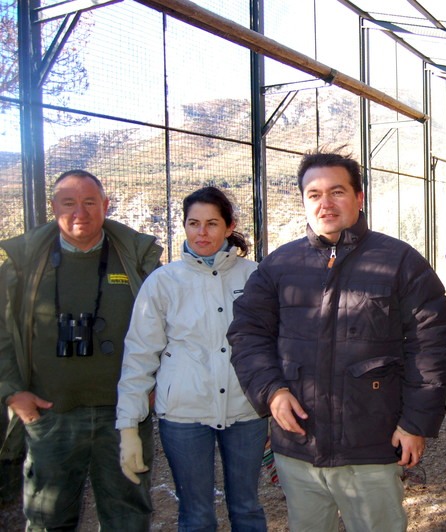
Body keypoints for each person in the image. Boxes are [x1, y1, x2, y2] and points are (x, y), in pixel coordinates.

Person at [227, 150, 446, 532]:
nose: (325, 203)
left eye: (337, 191)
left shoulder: (399, 262)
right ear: (303, 201)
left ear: (359, 197)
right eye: (314, 194)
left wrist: (416, 423)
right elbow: (247, 333)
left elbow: (431, 344)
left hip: (371, 443)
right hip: (300, 444)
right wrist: (272, 391)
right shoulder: (280, 266)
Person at [0, 169, 161, 530]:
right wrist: (12, 393)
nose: (80, 212)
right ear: (53, 206)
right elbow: (1, 335)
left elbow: (167, 328)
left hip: (124, 415)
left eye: (90, 202)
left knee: (128, 516)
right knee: (47, 518)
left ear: (105, 205)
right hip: (49, 413)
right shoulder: (22, 266)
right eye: (69, 203)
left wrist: (155, 384)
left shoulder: (138, 259)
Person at [116, 186, 268, 531]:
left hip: (246, 411)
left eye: (212, 224)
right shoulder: (163, 283)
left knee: (246, 507)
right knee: (196, 514)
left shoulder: (256, 276)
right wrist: (128, 426)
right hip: (184, 415)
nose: (202, 233)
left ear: (229, 227)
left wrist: (273, 403)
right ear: (183, 226)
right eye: (193, 223)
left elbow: (272, 345)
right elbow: (139, 356)